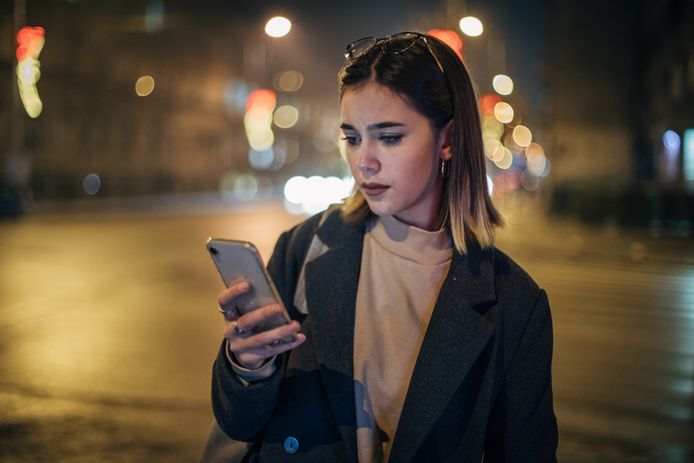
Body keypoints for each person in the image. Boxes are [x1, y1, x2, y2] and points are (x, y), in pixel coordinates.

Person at [211, 31, 558, 462]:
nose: (364, 161)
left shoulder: (514, 302)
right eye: (352, 137)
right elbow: (240, 423)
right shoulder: (304, 247)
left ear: (447, 140)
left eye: (389, 137)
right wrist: (248, 367)